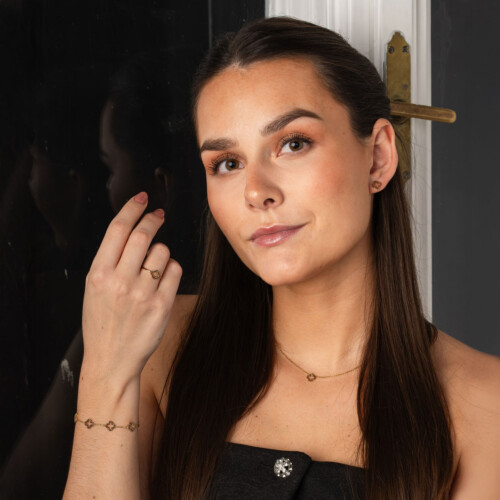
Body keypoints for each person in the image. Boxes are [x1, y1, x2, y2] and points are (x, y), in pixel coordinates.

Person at [63, 17, 499, 499]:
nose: (256, 192)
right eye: (227, 163)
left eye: (293, 144)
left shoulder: (485, 406)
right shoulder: (156, 346)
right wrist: (105, 373)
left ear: (377, 157)